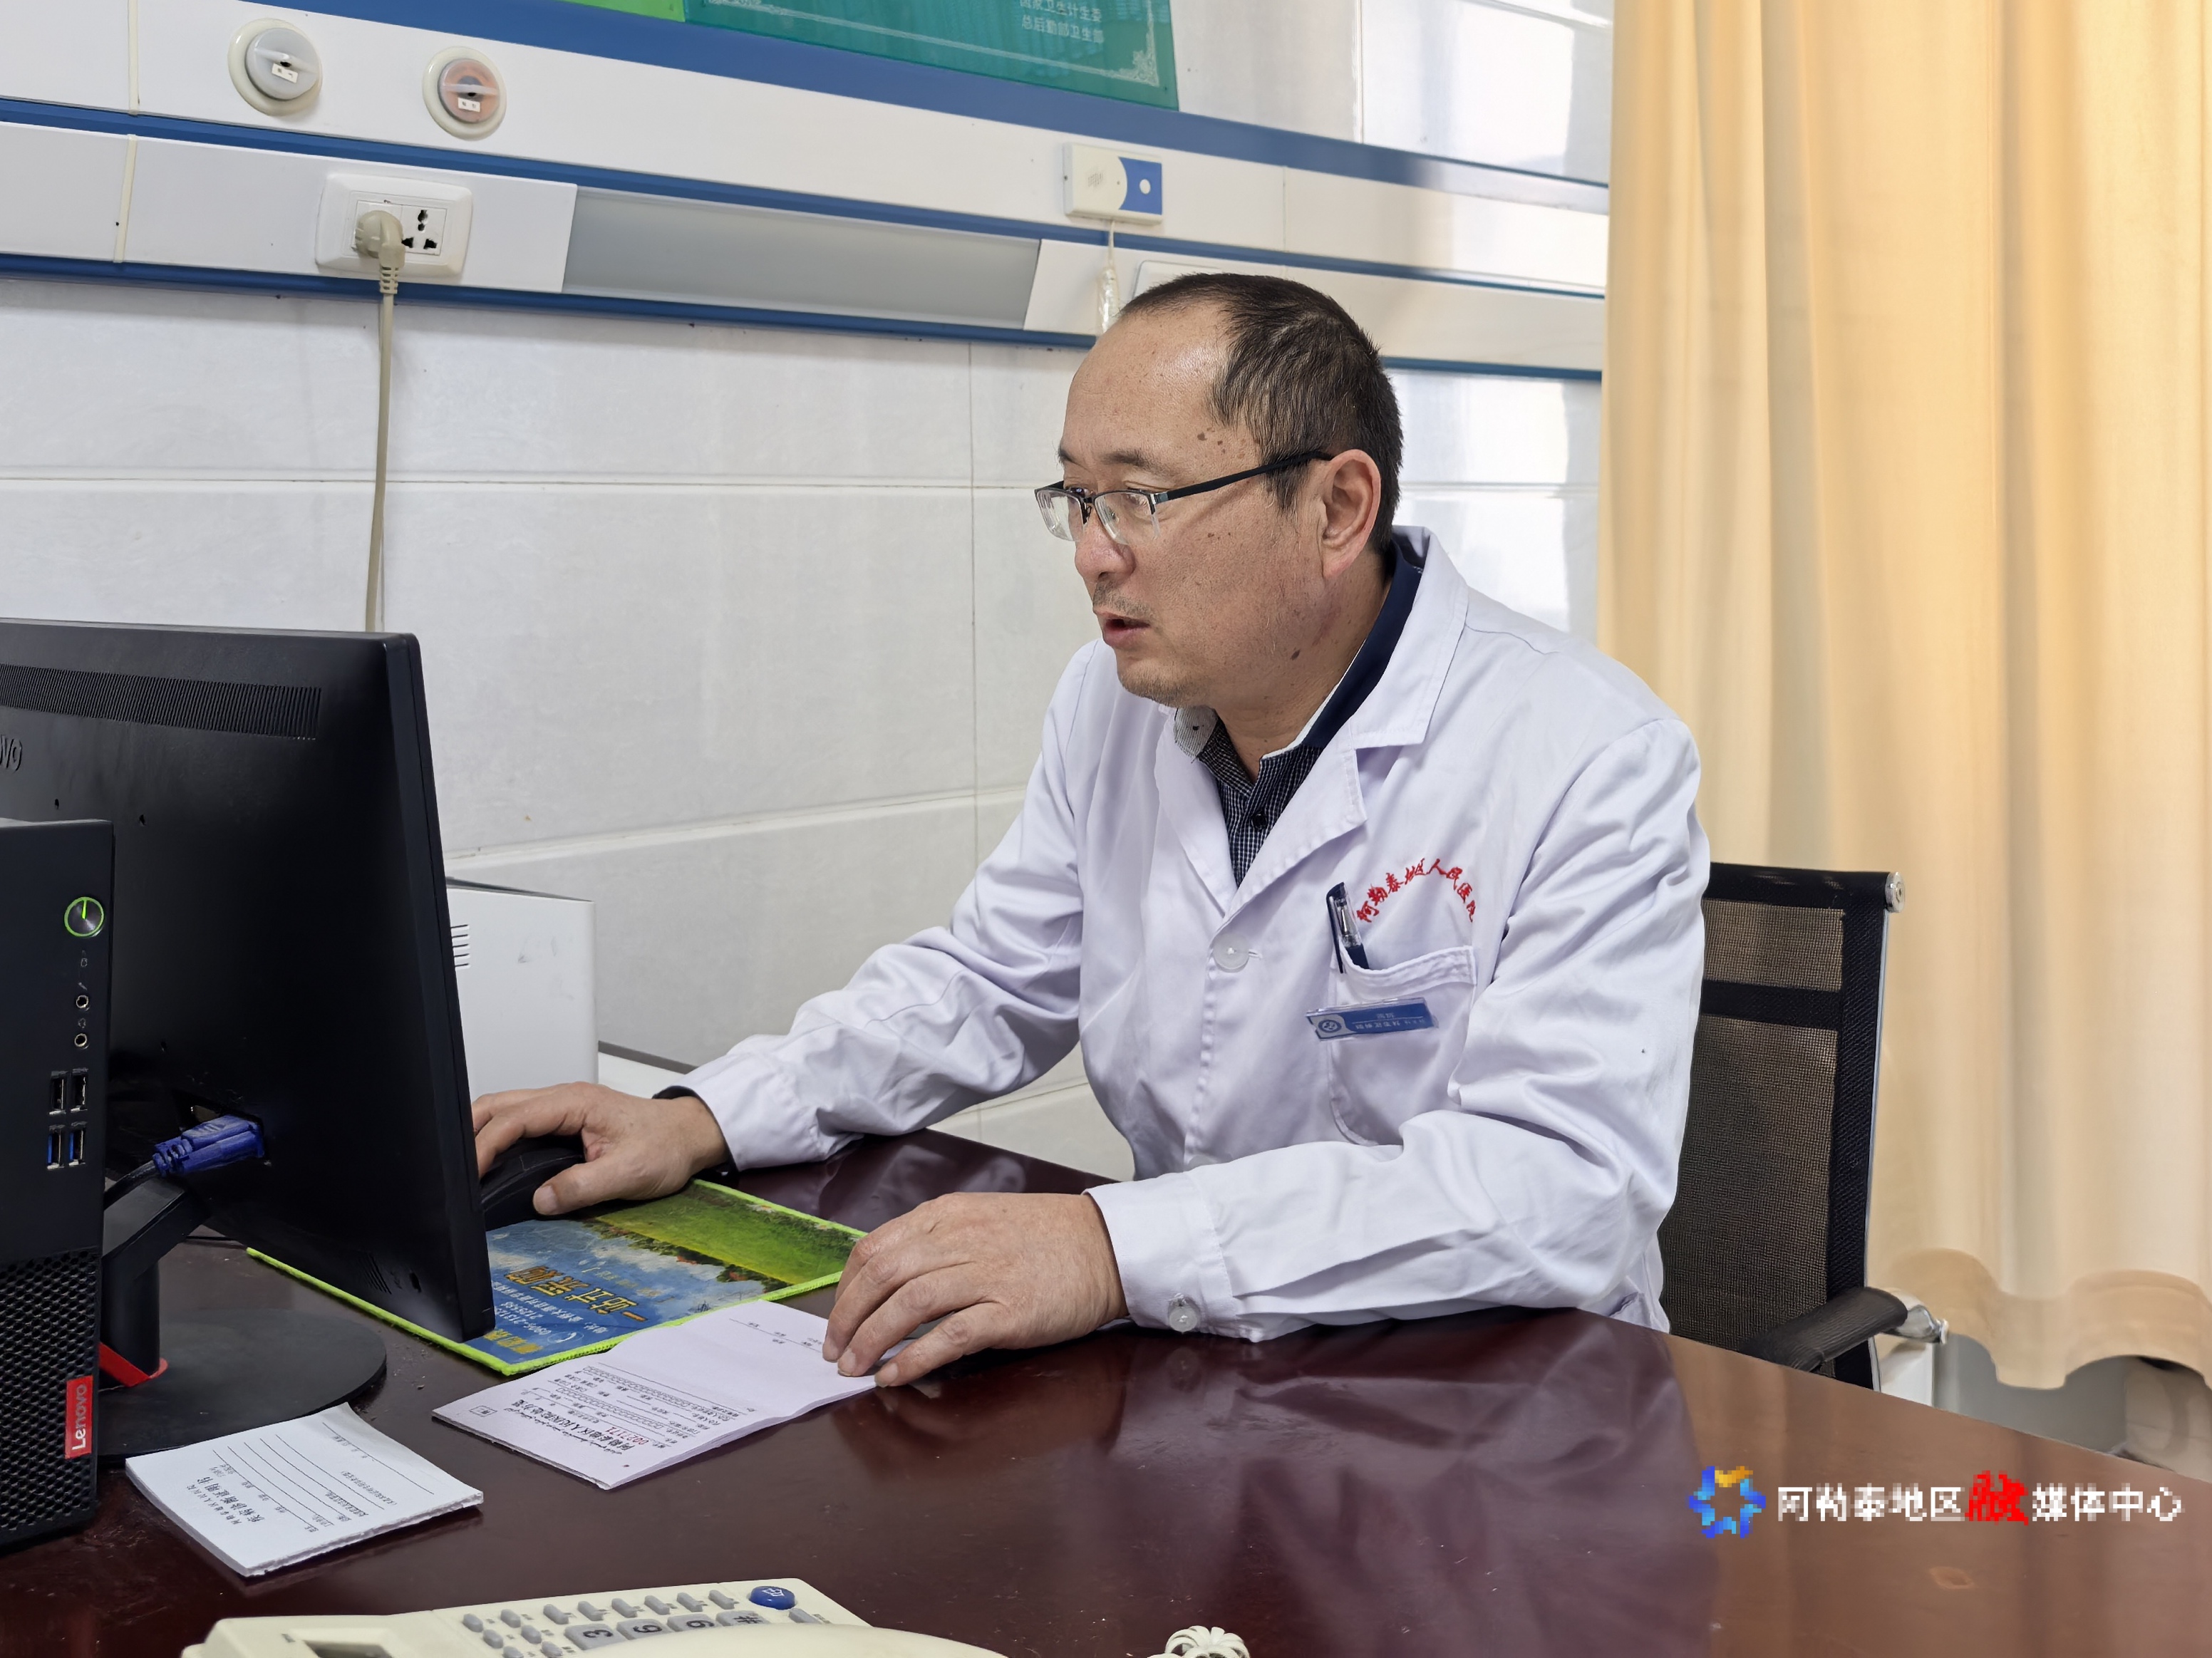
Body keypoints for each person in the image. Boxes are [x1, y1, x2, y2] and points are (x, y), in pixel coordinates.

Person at [473, 273, 1709, 1388]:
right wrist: (703, 1117)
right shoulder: (1113, 705)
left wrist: (1115, 1248)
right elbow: (987, 981)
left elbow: (1562, 1187)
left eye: (1140, 499)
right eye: (1075, 498)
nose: (1091, 555)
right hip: (1207, 1368)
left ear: (1338, 507)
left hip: (1498, 1394)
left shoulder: (1585, 751)